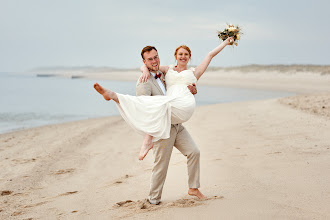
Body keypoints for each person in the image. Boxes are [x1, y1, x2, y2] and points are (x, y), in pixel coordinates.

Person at [93, 37, 234, 161]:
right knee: (157, 103)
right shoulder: (168, 69)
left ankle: (116, 99)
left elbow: (210, 55)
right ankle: (113, 95)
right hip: (169, 105)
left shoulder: (195, 72)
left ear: (189, 56)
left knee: (160, 104)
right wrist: (145, 70)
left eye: (186, 54)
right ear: (175, 56)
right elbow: (147, 64)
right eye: (180, 54)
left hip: (185, 104)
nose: (183, 56)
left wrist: (226, 43)